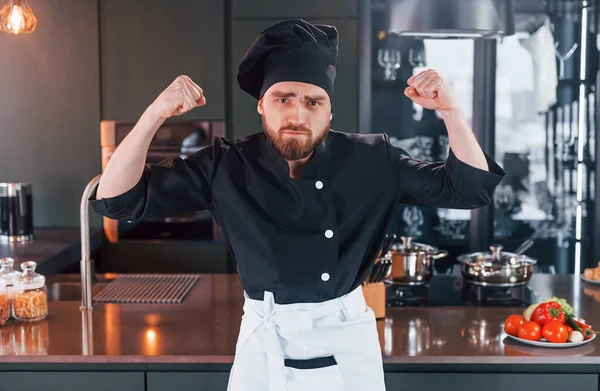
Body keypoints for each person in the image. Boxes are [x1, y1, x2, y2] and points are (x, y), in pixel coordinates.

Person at [90, 19, 505, 391]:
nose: (297, 115)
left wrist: (451, 111)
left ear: (329, 110)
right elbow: (117, 199)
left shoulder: (372, 159)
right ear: (261, 104)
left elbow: (468, 189)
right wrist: (153, 115)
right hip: (264, 341)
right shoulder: (225, 165)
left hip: (346, 342)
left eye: (313, 102)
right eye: (283, 98)